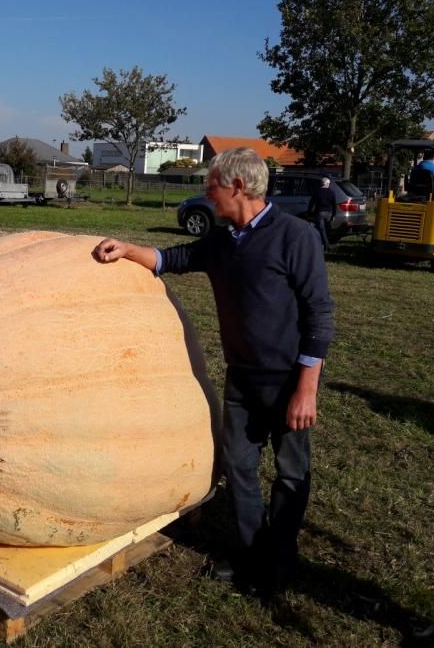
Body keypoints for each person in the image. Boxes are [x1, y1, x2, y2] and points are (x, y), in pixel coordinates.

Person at [92, 147, 334, 601]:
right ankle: (247, 553)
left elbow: (319, 315)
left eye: (212, 187)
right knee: (239, 468)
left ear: (238, 187)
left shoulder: (295, 236)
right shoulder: (226, 240)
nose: (207, 194)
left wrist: (307, 388)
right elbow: (173, 258)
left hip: (286, 380)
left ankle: (278, 561)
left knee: (290, 472)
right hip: (242, 378)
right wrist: (127, 250)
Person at [308, 177, 337, 253]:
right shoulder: (331, 192)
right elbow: (334, 205)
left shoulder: (317, 192)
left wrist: (309, 212)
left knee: (321, 230)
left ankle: (325, 245)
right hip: (328, 213)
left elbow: (311, 203)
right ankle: (326, 245)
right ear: (327, 183)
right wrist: (334, 215)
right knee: (327, 230)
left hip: (319, 213)